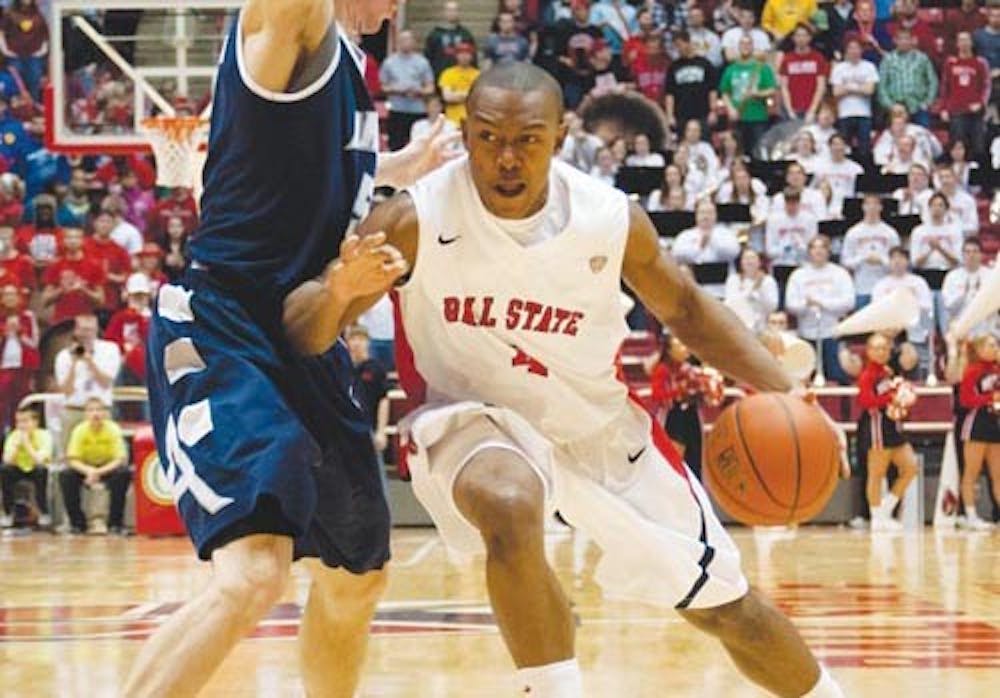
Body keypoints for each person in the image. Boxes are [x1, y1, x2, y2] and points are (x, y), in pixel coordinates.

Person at [354, 62, 847, 698]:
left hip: (595, 424)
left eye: (527, 139)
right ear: (467, 132)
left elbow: (689, 311)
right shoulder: (413, 218)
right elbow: (315, 312)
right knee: (508, 502)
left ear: (560, 137)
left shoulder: (608, 218)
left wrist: (782, 388)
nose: (506, 157)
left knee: (727, 608)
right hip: (467, 415)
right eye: (488, 137)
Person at [125, 2, 458, 695]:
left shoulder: (349, 73)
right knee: (253, 575)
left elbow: (320, 180)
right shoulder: (293, 24)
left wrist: (404, 165)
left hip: (306, 342)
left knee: (357, 576)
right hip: (224, 328)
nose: (395, 6)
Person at [856, 333, 920, 531]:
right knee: (876, 473)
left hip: (894, 427)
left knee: (910, 468)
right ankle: (876, 518)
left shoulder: (889, 372)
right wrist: (890, 399)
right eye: (877, 348)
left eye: (885, 348)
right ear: (868, 352)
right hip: (877, 427)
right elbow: (865, 401)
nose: (882, 352)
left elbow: (897, 396)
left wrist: (905, 401)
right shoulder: (867, 375)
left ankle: (886, 509)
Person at [785, 235, 855, 384]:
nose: (818, 251)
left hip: (832, 333)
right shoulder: (798, 275)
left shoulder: (840, 273)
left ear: (828, 251)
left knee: (836, 375)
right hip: (806, 334)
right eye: (814, 247)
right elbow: (791, 303)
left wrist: (822, 303)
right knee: (805, 377)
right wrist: (806, 304)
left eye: (822, 247)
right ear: (809, 251)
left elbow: (849, 302)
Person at [58, 397, 131, 535]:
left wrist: (98, 472)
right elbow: (72, 459)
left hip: (108, 467)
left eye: (99, 410)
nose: (95, 414)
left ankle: (115, 524)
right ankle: (77, 524)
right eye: (91, 410)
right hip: (85, 467)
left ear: (105, 413)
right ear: (85, 414)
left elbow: (119, 459)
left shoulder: (113, 429)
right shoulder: (79, 430)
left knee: (123, 474)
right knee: (65, 476)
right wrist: (89, 471)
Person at [958, 334, 999, 530]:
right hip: (976, 424)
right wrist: (990, 398)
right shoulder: (972, 371)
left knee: (998, 474)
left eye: (996, 345)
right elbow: (965, 400)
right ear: (980, 349)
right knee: (971, 471)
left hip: (995, 425)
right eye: (990, 345)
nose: (995, 348)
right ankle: (971, 515)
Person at [871, 247, 934, 374]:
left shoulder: (918, 282)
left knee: (912, 361)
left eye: (901, 258)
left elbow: (926, 306)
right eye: (893, 258)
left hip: (915, 333)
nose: (897, 262)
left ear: (907, 261)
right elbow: (876, 310)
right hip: (889, 334)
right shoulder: (881, 284)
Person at [719, 35, 777, 155]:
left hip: (758, 117)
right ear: (738, 47)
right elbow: (725, 92)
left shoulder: (762, 68)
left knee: (757, 152)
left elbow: (772, 89)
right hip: (738, 117)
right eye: (742, 44)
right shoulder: (731, 69)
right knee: (738, 152)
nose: (745, 47)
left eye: (748, 44)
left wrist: (758, 93)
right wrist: (730, 109)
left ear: (752, 47)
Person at [380, 30, 436, 151]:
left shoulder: (422, 62)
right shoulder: (389, 62)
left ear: (414, 42)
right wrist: (397, 90)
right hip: (397, 109)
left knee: (419, 146)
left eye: (408, 40)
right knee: (396, 145)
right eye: (402, 40)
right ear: (398, 42)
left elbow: (430, 87)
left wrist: (419, 91)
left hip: (417, 110)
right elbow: (382, 87)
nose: (405, 43)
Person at [840, 193, 899, 306]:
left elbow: (898, 260)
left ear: (881, 207)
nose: (872, 207)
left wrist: (881, 260)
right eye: (868, 204)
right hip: (861, 287)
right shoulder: (853, 232)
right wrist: (863, 258)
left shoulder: (890, 233)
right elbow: (845, 261)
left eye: (875, 204)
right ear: (863, 207)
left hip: (885, 287)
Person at [672, 200, 740, 296]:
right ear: (696, 215)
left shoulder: (725, 233)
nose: (706, 216)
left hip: (721, 289)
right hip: (694, 288)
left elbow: (733, 252)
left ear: (715, 215)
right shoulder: (685, 235)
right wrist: (699, 246)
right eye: (702, 212)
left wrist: (712, 240)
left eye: (709, 213)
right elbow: (677, 255)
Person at [939, 32, 991, 158]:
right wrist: (943, 108)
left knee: (978, 146)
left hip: (975, 111)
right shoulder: (950, 63)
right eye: (961, 40)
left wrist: (981, 103)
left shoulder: (980, 62)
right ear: (957, 44)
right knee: (958, 143)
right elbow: (945, 87)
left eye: (966, 40)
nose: (964, 43)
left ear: (971, 43)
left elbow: (986, 85)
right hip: (956, 110)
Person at [40, 228, 106, 326]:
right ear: (63, 241)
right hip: (61, 322)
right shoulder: (55, 266)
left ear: (83, 241)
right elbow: (44, 300)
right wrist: (62, 289)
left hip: (85, 322)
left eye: (76, 237)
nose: (73, 241)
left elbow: (101, 300)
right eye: (69, 237)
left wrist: (84, 290)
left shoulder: (94, 265)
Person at [0, 407, 52, 529]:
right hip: (18, 468)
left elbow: (40, 460)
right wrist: (17, 446)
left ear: (35, 422)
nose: (22, 425)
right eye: (19, 422)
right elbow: (7, 460)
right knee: (5, 470)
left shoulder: (44, 435)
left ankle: (43, 512)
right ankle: (8, 513)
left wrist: (27, 444)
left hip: (35, 468)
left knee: (41, 470)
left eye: (25, 421)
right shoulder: (13, 436)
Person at [345, 325, 390, 462]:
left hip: (369, 427)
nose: (357, 343)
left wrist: (381, 431)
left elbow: (383, 400)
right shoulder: (342, 367)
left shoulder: (375, 368)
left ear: (368, 342)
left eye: (361, 339)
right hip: (347, 427)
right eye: (353, 339)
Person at [877, 28, 938, 127]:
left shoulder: (922, 58)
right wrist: (891, 105)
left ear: (912, 40)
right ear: (895, 41)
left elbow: (932, 81)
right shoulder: (888, 60)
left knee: (922, 137)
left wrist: (927, 102)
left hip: (918, 106)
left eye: (907, 39)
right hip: (896, 107)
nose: (904, 42)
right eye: (900, 39)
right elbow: (881, 86)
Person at [830, 37, 879, 159]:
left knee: (864, 149)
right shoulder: (839, 68)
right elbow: (836, 91)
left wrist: (848, 88)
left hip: (864, 114)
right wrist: (859, 88)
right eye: (850, 48)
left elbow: (869, 90)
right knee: (844, 148)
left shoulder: (869, 67)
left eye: (856, 48)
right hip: (844, 114)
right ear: (846, 50)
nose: (854, 51)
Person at [665, 30, 719, 135]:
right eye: (676, 46)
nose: (678, 49)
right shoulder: (673, 67)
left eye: (680, 45)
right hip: (681, 114)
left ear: (688, 42)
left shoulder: (705, 64)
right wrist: (670, 116)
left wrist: (713, 111)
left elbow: (712, 90)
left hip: (703, 113)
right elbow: (669, 94)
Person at [104, 272, 152, 385]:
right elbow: (109, 340)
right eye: (135, 296)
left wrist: (140, 319)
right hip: (122, 362)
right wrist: (123, 351)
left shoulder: (154, 318)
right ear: (128, 296)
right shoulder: (119, 317)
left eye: (142, 296)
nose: (139, 299)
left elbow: (152, 340)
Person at [779, 25, 830, 122]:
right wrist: (789, 110)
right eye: (798, 36)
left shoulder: (818, 58)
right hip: (792, 109)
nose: (801, 39)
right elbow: (784, 87)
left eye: (804, 35)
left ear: (810, 38)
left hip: (813, 109)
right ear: (793, 38)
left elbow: (821, 86)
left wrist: (812, 110)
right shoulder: (787, 59)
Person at [724, 247, 780, 332]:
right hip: (738, 327)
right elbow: (729, 304)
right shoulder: (733, 279)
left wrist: (760, 291)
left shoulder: (768, 280)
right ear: (741, 262)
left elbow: (772, 306)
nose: (749, 261)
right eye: (746, 258)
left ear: (759, 262)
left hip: (761, 328)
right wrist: (749, 291)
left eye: (752, 258)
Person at [942, 238, 990, 333]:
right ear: (963, 255)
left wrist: (981, 294)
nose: (971, 255)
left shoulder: (990, 275)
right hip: (960, 326)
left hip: (984, 327)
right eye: (967, 252)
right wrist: (963, 293)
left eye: (975, 251)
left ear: (981, 255)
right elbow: (949, 307)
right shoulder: (952, 276)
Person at [909, 193, 963, 272]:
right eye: (933, 205)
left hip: (947, 271)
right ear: (929, 208)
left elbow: (958, 260)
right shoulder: (918, 231)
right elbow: (915, 262)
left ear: (946, 209)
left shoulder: (954, 230)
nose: (936, 208)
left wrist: (940, 248)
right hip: (925, 271)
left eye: (940, 205)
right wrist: (930, 249)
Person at [765, 188, 818, 266]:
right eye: (789, 204)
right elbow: (769, 250)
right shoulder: (773, 220)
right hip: (780, 262)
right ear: (784, 203)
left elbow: (813, 248)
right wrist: (785, 248)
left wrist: (801, 246)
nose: (791, 207)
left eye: (794, 204)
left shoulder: (810, 219)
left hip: (803, 262)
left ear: (799, 203)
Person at [425, 0, 477, 76]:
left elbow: (473, 57)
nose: (452, 13)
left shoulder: (465, 34)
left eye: (454, 10)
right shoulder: (435, 34)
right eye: (449, 10)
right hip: (438, 77)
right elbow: (428, 57)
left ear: (458, 12)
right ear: (444, 12)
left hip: (461, 79)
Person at [811, 133, 863, 201]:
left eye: (841, 144)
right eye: (835, 144)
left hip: (848, 205)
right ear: (829, 147)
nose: (838, 148)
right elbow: (812, 189)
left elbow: (860, 193)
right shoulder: (819, 166)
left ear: (846, 147)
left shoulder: (856, 169)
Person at [438, 42, 480, 125]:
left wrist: (457, 94)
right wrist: (469, 94)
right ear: (456, 56)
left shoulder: (478, 75)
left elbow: (479, 98)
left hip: (473, 120)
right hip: (452, 120)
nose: (464, 56)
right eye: (461, 53)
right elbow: (448, 97)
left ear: (472, 56)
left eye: (467, 53)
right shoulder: (448, 73)